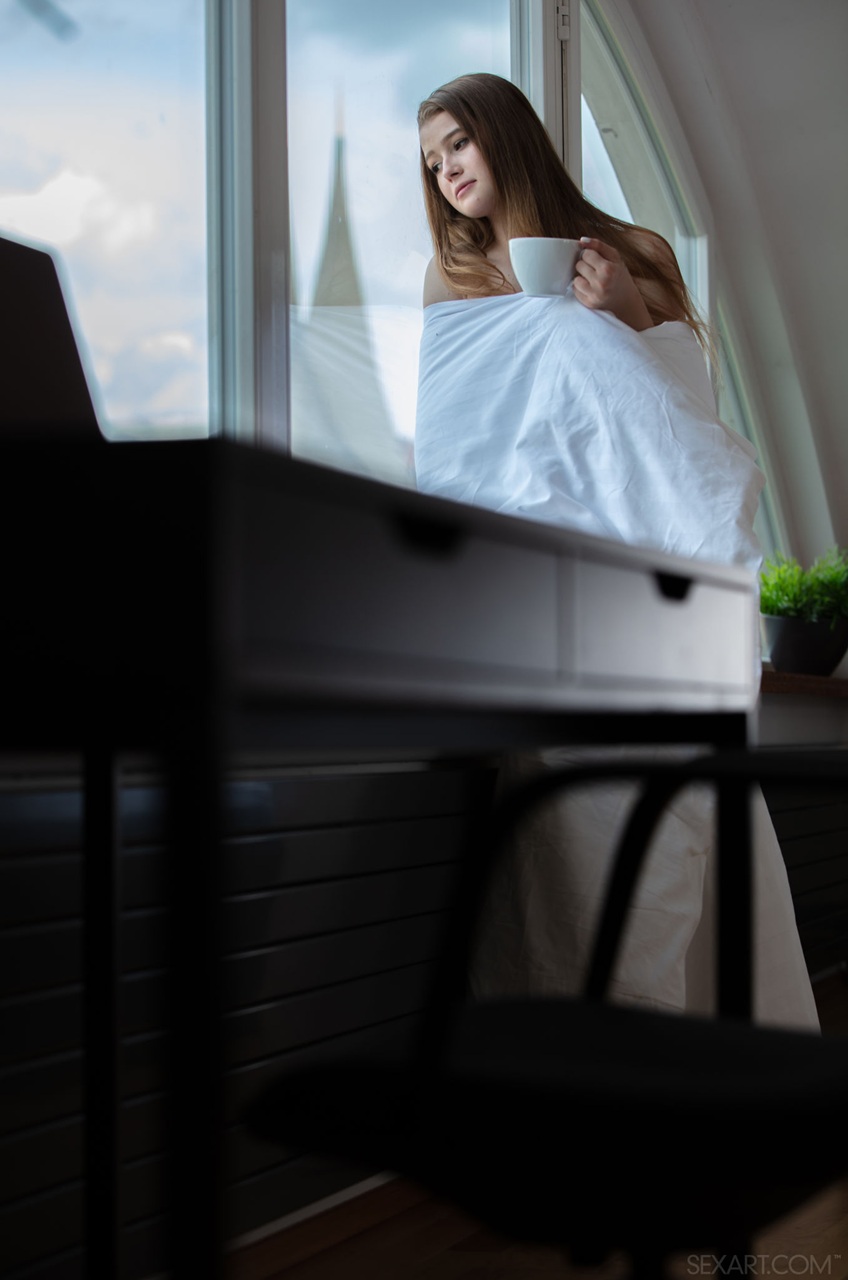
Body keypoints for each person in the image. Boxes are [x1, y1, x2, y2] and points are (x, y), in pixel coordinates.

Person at [414, 72, 819, 1031]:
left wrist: (630, 315)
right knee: (565, 827)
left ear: (507, 135)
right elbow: (458, 442)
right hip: (532, 592)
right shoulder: (451, 278)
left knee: (680, 808)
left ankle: (685, 1047)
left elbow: (682, 423)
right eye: (430, 163)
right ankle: (579, 1040)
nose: (446, 173)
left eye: (458, 144)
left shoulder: (633, 251)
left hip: (638, 583)